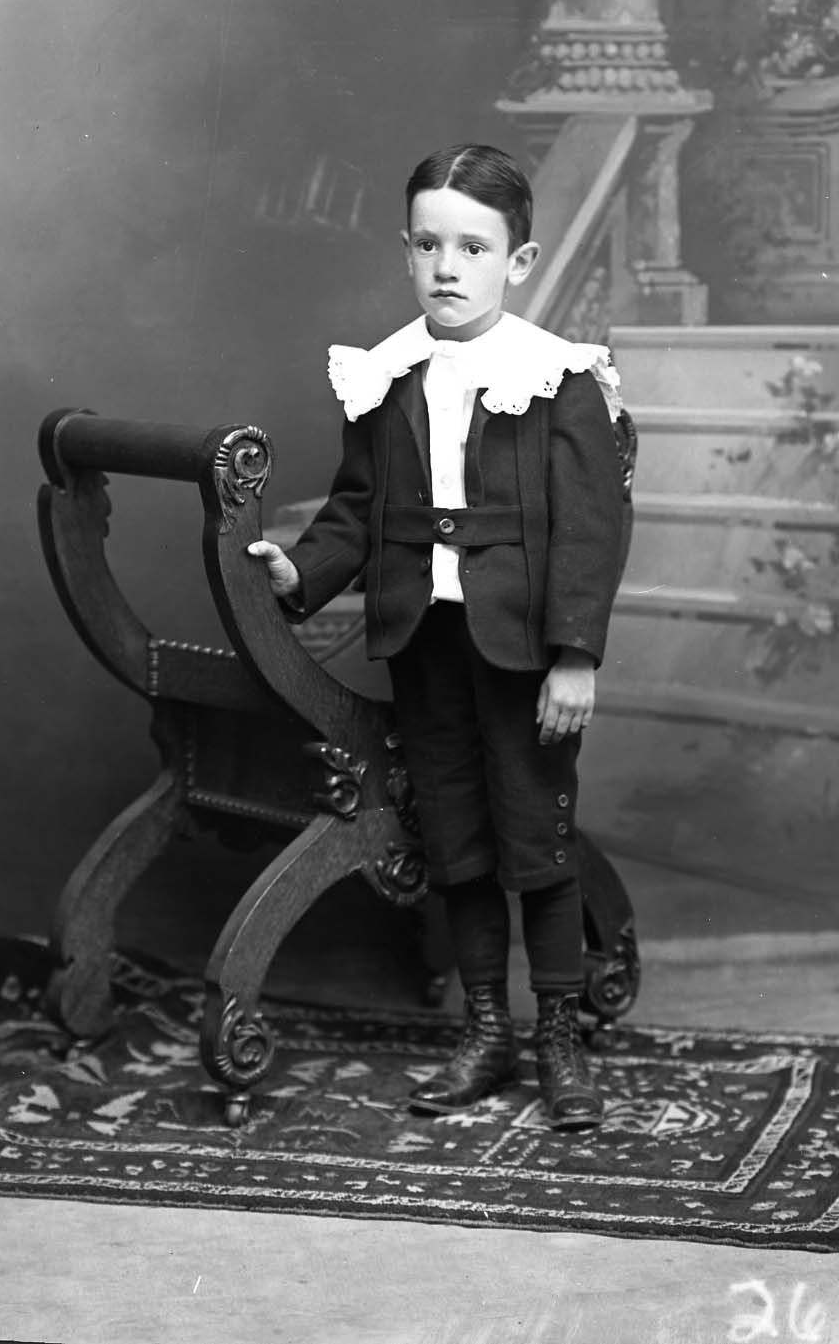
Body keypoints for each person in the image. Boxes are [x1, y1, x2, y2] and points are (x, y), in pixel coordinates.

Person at [248, 144, 624, 1131]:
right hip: (425, 638)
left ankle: (558, 1038)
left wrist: (575, 655)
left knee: (535, 837)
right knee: (455, 837)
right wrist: (303, 574)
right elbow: (355, 508)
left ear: (520, 261)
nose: (447, 267)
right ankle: (486, 1030)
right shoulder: (387, 373)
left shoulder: (555, 377)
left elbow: (590, 532)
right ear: (406, 251)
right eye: (428, 245)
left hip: (523, 647)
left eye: (473, 248)